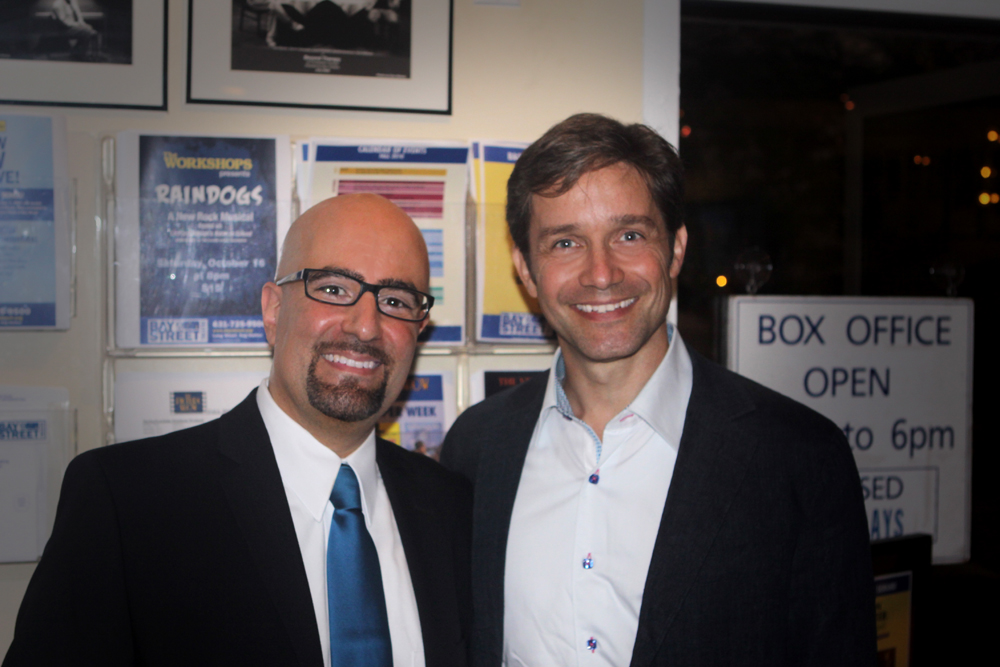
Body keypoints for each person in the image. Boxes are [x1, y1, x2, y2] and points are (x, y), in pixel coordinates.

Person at [440, 114, 875, 666]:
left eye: (629, 235)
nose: (601, 273)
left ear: (674, 250)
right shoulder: (476, 448)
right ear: (525, 269)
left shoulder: (798, 457)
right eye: (566, 242)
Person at [5, 194, 472, 667]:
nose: (366, 326)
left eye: (395, 300)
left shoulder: (450, 507)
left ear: (420, 328)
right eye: (333, 289)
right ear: (272, 310)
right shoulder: (126, 502)